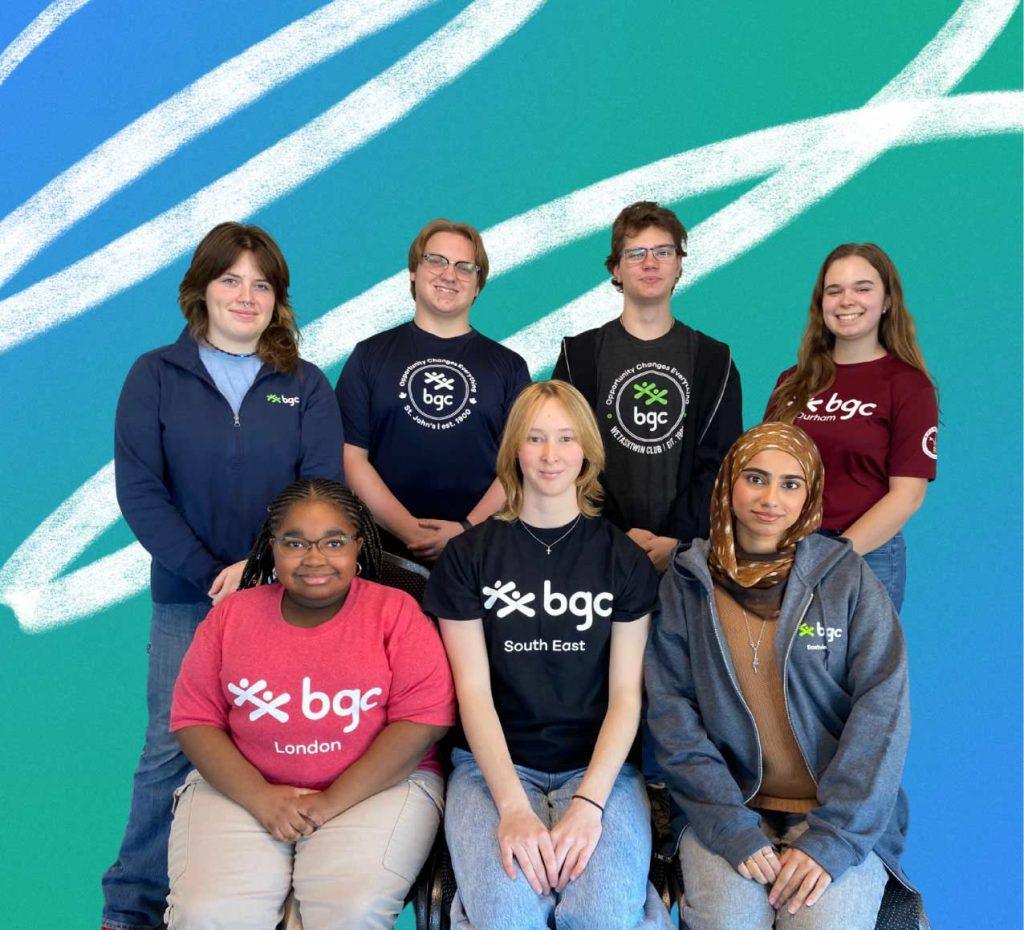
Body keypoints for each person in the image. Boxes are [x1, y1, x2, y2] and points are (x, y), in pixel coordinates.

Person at [102, 222, 343, 930]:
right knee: (170, 751)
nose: (246, 295)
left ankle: (283, 908)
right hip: (188, 601)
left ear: (278, 300)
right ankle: (131, 911)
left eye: (261, 284)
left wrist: (264, 565)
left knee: (293, 747)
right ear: (201, 290)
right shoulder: (154, 377)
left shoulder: (305, 385)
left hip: (290, 601)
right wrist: (215, 574)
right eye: (231, 280)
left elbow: (321, 491)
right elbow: (141, 492)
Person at [645, 422, 918, 930]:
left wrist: (834, 838)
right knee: (727, 920)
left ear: (809, 494)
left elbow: (884, 712)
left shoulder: (846, 578)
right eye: (756, 478)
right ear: (729, 483)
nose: (771, 498)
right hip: (726, 811)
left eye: (790, 484)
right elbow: (672, 717)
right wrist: (730, 826)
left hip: (836, 817)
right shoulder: (686, 582)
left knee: (823, 923)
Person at [424, 380, 672, 930]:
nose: (550, 454)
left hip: (599, 768)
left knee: (605, 916)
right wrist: (512, 807)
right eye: (535, 438)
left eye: (565, 438)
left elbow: (627, 697)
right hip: (492, 768)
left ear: (587, 450)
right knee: (507, 917)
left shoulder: (623, 560)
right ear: (515, 448)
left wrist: (589, 805)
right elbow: (473, 692)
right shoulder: (468, 557)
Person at [164, 478, 455, 928]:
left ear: (358, 545)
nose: (314, 558)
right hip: (243, 789)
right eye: (295, 542)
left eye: (334, 542)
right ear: (271, 546)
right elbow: (194, 720)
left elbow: (423, 721)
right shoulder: (231, 615)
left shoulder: (395, 612)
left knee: (349, 909)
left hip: (376, 790)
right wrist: (261, 798)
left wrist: (330, 802)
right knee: (208, 914)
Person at [552, 201, 742, 572]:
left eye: (663, 251)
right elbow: (563, 458)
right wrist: (611, 534)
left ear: (679, 264)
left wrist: (678, 541)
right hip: (595, 555)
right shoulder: (579, 357)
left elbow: (721, 463)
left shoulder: (714, 360)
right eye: (636, 252)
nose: (650, 262)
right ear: (616, 268)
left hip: (685, 557)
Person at [336, 218, 531, 565]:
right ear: (413, 271)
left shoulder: (509, 367)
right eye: (436, 260)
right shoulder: (369, 356)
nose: (449, 274)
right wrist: (409, 530)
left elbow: (518, 464)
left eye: (464, 267)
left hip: (481, 554)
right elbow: (353, 458)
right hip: (383, 555)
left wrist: (467, 527)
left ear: (478, 286)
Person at [765, 243, 937, 611]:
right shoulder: (791, 382)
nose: (847, 300)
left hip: (865, 556)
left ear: (887, 300)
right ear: (820, 302)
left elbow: (908, 495)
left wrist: (834, 556)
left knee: (860, 670)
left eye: (862, 288)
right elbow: (764, 472)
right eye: (834, 290)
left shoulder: (908, 386)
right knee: (783, 669)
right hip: (787, 554)